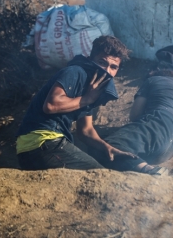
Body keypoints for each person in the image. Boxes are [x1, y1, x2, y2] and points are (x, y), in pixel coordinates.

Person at [16, 35, 134, 171]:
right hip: (43, 141)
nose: (106, 71)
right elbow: (51, 105)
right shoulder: (76, 72)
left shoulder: (91, 88)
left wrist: (107, 148)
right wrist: (88, 99)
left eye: (113, 67)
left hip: (36, 146)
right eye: (102, 62)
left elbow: (86, 130)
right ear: (91, 59)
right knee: (99, 175)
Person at [96, 69, 173, 176]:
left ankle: (151, 171)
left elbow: (135, 115)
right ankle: (145, 167)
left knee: (105, 148)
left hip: (159, 123)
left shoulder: (153, 80)